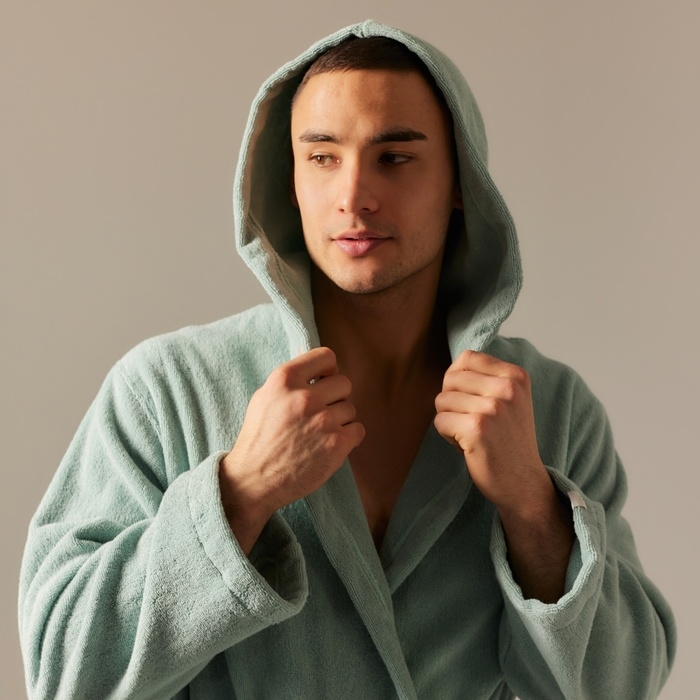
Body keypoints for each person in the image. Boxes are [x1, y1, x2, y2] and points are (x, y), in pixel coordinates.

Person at [19, 20, 675, 700]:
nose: (354, 194)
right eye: (323, 157)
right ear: (291, 178)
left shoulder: (552, 409)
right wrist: (240, 494)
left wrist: (534, 510)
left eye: (395, 157)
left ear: (462, 182)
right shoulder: (165, 392)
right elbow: (64, 675)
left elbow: (623, 685)